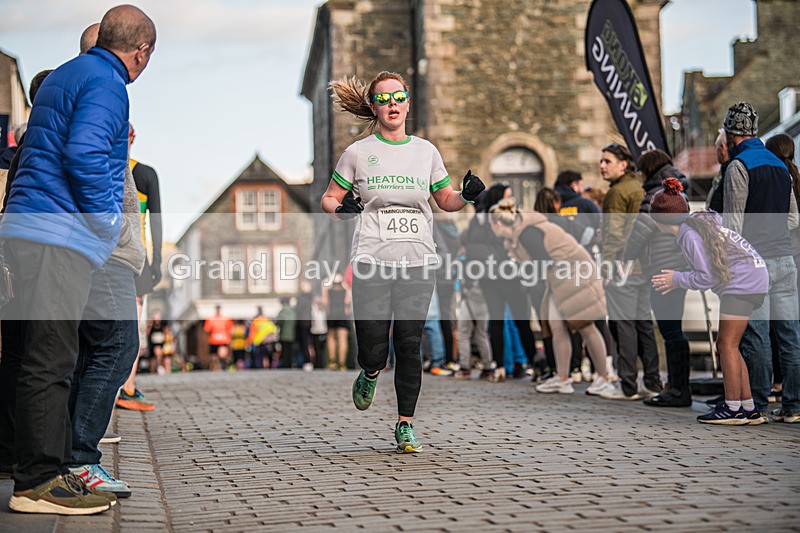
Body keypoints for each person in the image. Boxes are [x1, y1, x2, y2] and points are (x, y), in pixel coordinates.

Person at [0, 5, 155, 515]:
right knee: (53, 357)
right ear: (141, 52)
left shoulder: (66, 75)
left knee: (31, 354)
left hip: (28, 226)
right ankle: (39, 482)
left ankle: (33, 467)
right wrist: (106, 223)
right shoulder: (108, 83)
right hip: (59, 233)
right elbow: (86, 155)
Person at [321, 71, 484, 453]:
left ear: (408, 102)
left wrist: (467, 195)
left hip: (418, 260)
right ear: (374, 108)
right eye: (383, 99)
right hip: (372, 260)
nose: (392, 104)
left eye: (398, 97)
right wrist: (342, 208)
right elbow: (329, 199)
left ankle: (405, 424)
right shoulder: (358, 153)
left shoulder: (426, 151)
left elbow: (444, 199)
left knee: (410, 343)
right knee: (374, 346)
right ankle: (371, 369)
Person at [651, 179, 769, 424]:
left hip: (742, 282)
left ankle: (732, 408)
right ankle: (749, 407)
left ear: (662, 219)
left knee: (725, 344)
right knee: (732, 345)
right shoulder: (695, 227)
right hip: (754, 277)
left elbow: (706, 277)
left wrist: (676, 279)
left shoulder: (689, 236)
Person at [722, 101, 800, 424]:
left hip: (755, 262)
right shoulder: (780, 166)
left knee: (757, 336)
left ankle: (756, 405)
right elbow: (794, 219)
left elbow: (732, 227)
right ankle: (794, 406)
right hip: (785, 260)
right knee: (790, 335)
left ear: (731, 134)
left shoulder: (738, 166)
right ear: (754, 131)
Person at [489, 199, 615, 396]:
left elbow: (543, 261)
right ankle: (563, 379)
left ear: (498, 224)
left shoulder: (526, 233)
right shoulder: (522, 231)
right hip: (560, 277)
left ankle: (604, 378)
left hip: (573, 275)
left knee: (585, 326)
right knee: (556, 326)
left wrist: (520, 268)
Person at [623, 149, 692, 408]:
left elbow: (638, 234)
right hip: (679, 269)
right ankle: (677, 385)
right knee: (674, 328)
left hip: (662, 272)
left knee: (670, 331)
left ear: (647, 170)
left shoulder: (657, 196)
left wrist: (625, 257)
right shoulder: (678, 191)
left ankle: (678, 389)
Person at [598, 143, 661, 401]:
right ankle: (653, 382)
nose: (602, 166)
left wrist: (605, 269)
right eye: (601, 161)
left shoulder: (616, 193)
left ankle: (627, 386)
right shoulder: (639, 188)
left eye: (607, 161)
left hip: (622, 266)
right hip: (642, 267)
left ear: (623, 164)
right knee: (644, 324)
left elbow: (614, 236)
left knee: (623, 326)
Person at [462, 183, 537, 382]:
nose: (511, 200)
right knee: (517, 322)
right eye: (508, 196)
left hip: (492, 277)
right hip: (508, 276)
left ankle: (502, 366)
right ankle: (529, 363)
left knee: (500, 322)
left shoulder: (479, 220)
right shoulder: (507, 218)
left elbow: (472, 250)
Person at [116, 121, 163, 410]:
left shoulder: (98, 166)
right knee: (132, 323)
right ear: (133, 139)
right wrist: (157, 261)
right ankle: (128, 388)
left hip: (103, 254)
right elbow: (156, 220)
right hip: (136, 257)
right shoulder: (144, 174)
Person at [765, 133, 800, 403]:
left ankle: (774, 388)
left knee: (770, 333)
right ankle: (793, 401)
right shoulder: (793, 178)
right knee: (791, 335)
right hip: (791, 262)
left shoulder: (776, 181)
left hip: (780, 257)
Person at [323, 273, 351, 370]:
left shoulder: (328, 290)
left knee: (331, 337)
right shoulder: (346, 289)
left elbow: (325, 302)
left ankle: (332, 361)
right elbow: (347, 302)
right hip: (342, 314)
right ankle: (342, 363)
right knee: (343, 338)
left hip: (332, 314)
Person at [204, 305, 234, 371]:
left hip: (220, 340)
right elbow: (231, 330)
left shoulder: (212, 319)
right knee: (218, 356)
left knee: (219, 356)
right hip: (218, 340)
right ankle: (218, 367)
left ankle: (220, 367)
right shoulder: (224, 318)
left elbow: (207, 330)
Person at [276, 298, 298, 368]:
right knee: (290, 351)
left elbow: (279, 322)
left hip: (284, 334)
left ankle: (285, 365)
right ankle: (290, 363)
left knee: (285, 351)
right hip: (292, 334)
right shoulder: (292, 311)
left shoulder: (282, 311)